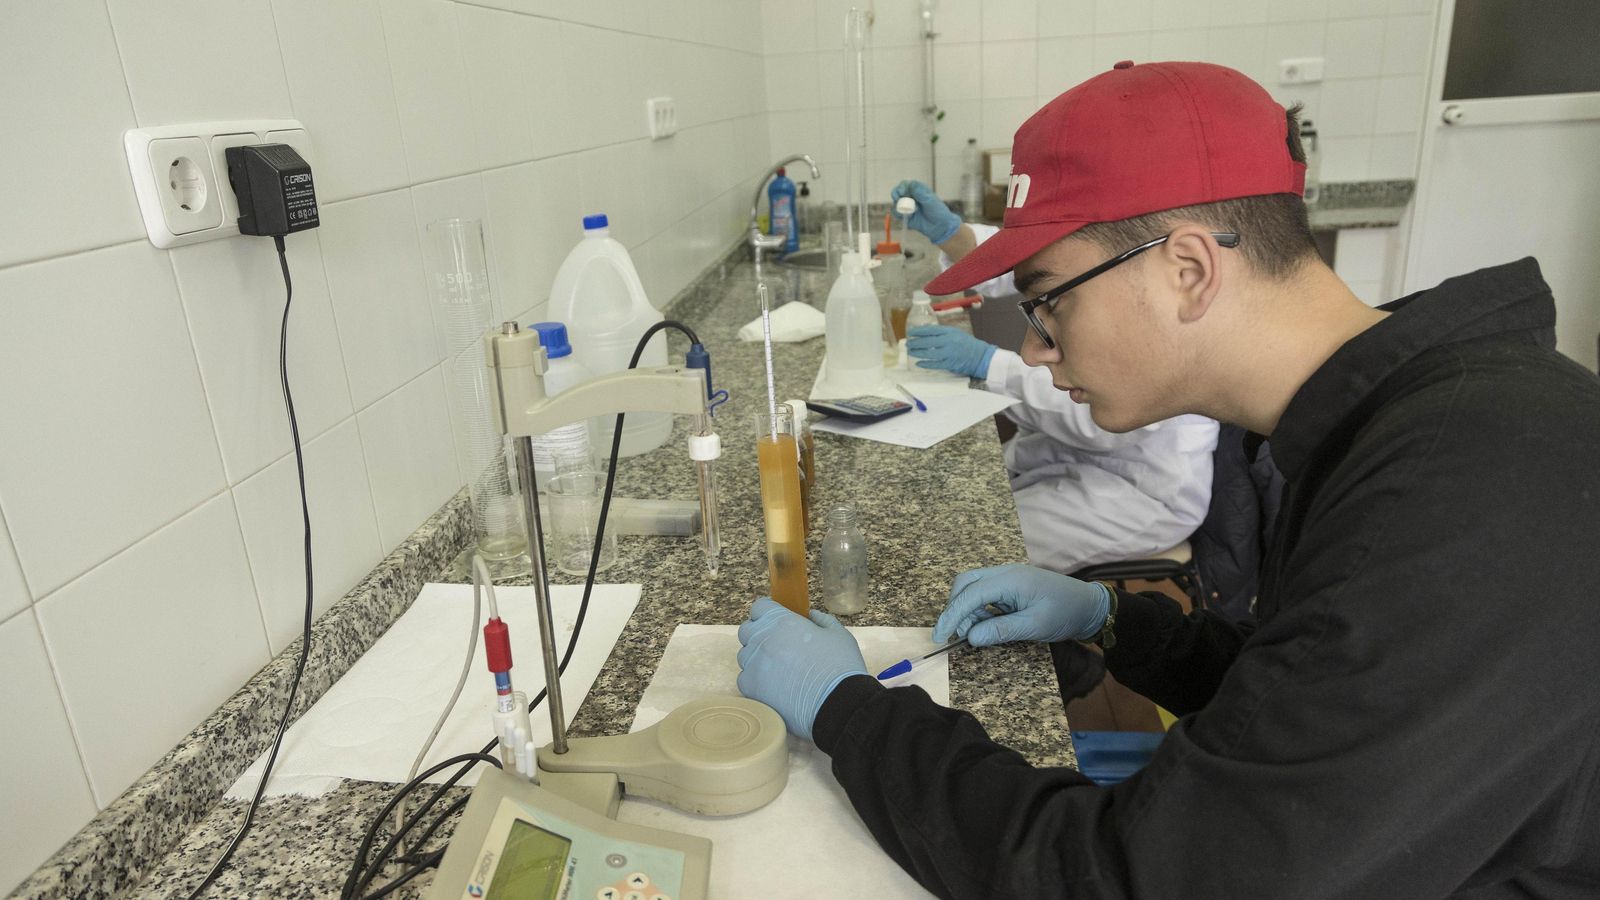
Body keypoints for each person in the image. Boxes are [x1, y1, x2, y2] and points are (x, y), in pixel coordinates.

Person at [736, 60, 1600, 897]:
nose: (1034, 348)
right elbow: (1314, 694)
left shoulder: (1455, 497)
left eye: (1048, 302)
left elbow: (1136, 879)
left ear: (1188, 269)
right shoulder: (1410, 425)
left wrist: (847, 710)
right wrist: (1119, 620)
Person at [892, 178, 1220, 576]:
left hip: (1146, 489)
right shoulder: (1117, 242)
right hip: (1082, 458)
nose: (1033, 350)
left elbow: (1098, 421)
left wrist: (990, 364)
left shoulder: (1162, 309)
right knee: (961, 517)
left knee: (980, 550)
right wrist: (955, 235)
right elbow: (1043, 264)